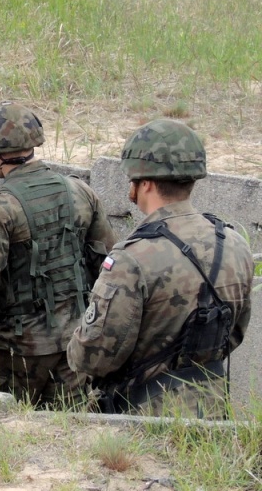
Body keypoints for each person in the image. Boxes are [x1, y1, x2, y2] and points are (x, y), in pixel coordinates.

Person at [68, 119, 253, 419]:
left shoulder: (132, 257)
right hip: (214, 411)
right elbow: (235, 333)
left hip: (142, 419)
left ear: (146, 183)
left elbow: (93, 357)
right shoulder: (233, 243)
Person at [0, 102, 116, 408]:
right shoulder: (80, 191)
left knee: (7, 425)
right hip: (74, 338)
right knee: (68, 429)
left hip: (14, 347)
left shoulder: (0, 208)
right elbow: (107, 261)